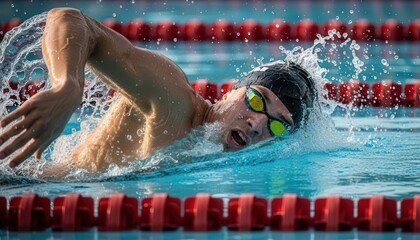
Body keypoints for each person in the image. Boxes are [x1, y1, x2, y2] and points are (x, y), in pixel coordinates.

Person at [0, 8, 316, 172]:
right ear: (231, 91)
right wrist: (68, 85)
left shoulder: (213, 157)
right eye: (256, 100)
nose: (258, 124)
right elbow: (69, 19)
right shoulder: (172, 98)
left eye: (277, 124)